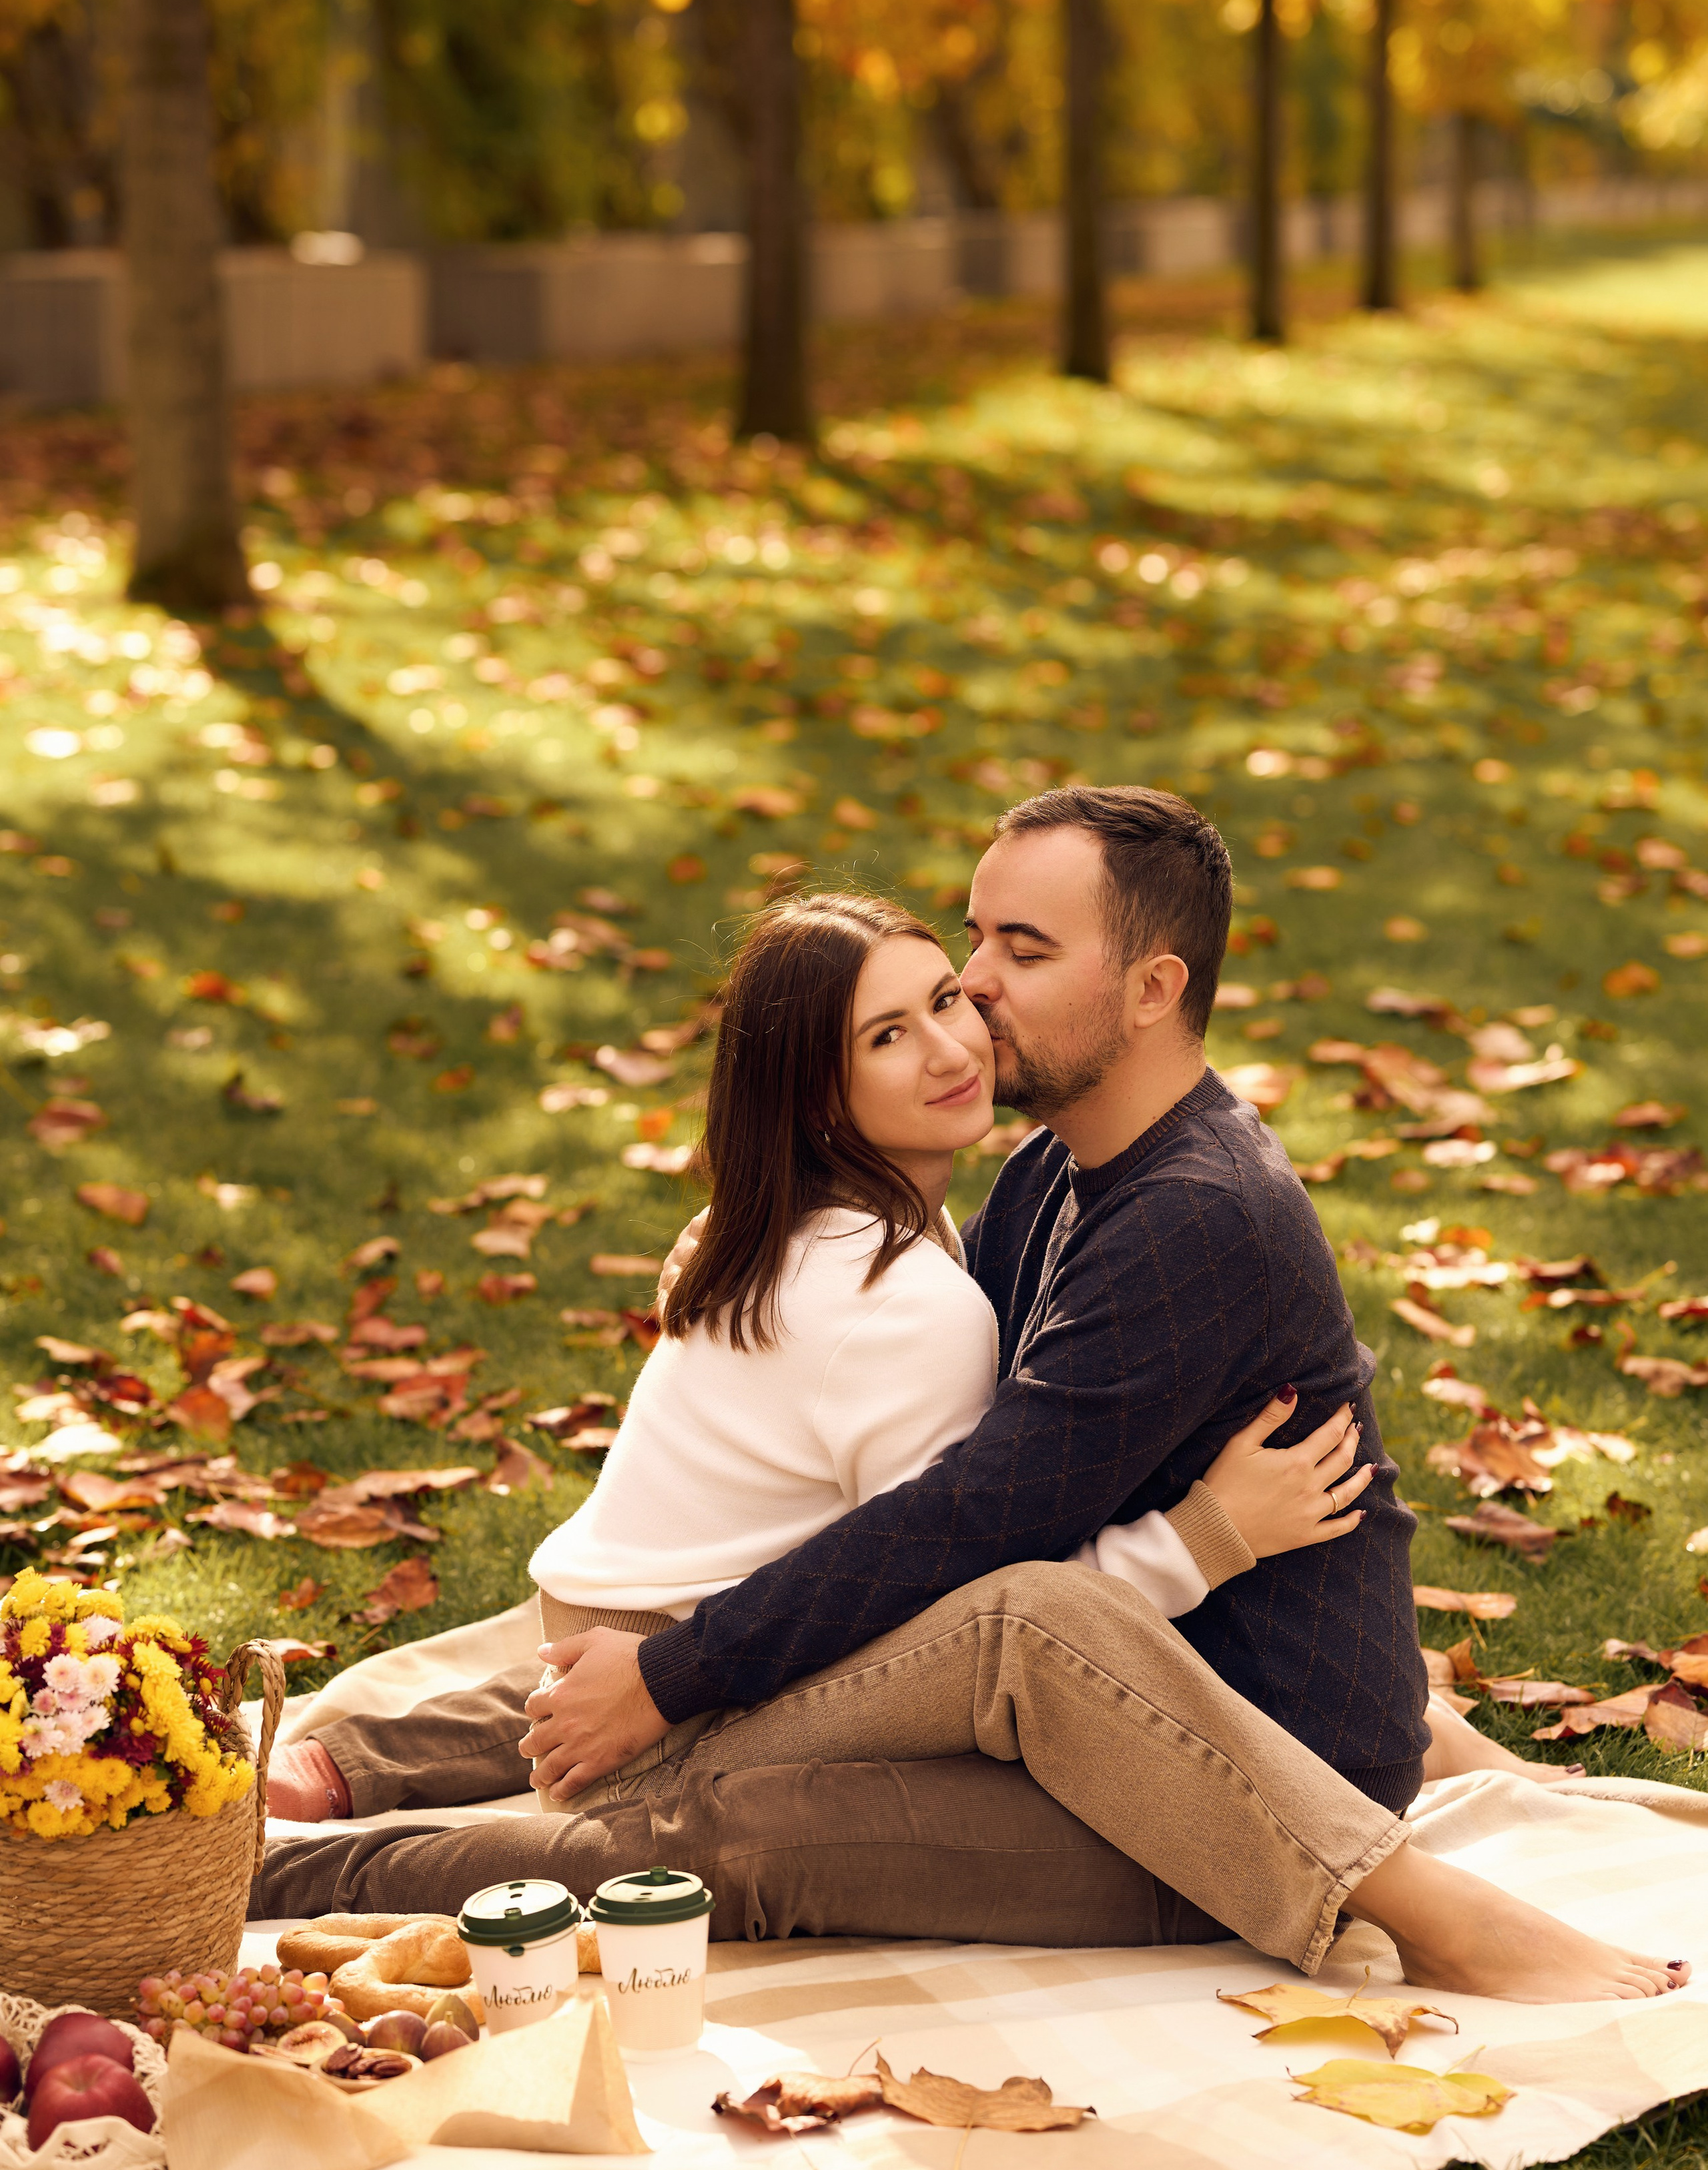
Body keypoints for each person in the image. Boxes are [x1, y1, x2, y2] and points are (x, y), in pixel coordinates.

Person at [260, 792, 1684, 2001]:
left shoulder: (1195, 1214)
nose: (978, 987)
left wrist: (674, 1675)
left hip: (1215, 1785)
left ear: (1152, 989)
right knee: (733, 1660)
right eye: (974, 942)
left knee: (733, 1827)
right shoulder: (1059, 1166)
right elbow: (948, 1498)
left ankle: (282, 1873)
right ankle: (345, 1778)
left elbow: (974, 1530)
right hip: (1079, 1709)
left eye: (1020, 950)